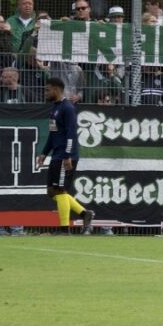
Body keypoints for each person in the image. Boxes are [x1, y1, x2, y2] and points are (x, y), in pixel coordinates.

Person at [35, 75, 92, 233]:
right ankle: (84, 213)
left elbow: (71, 134)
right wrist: (44, 153)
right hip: (57, 155)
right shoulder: (55, 108)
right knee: (52, 192)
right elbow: (53, 134)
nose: (45, 93)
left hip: (65, 156)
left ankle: (64, 228)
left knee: (60, 191)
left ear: (56, 89)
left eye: (47, 90)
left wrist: (67, 155)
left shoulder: (67, 108)